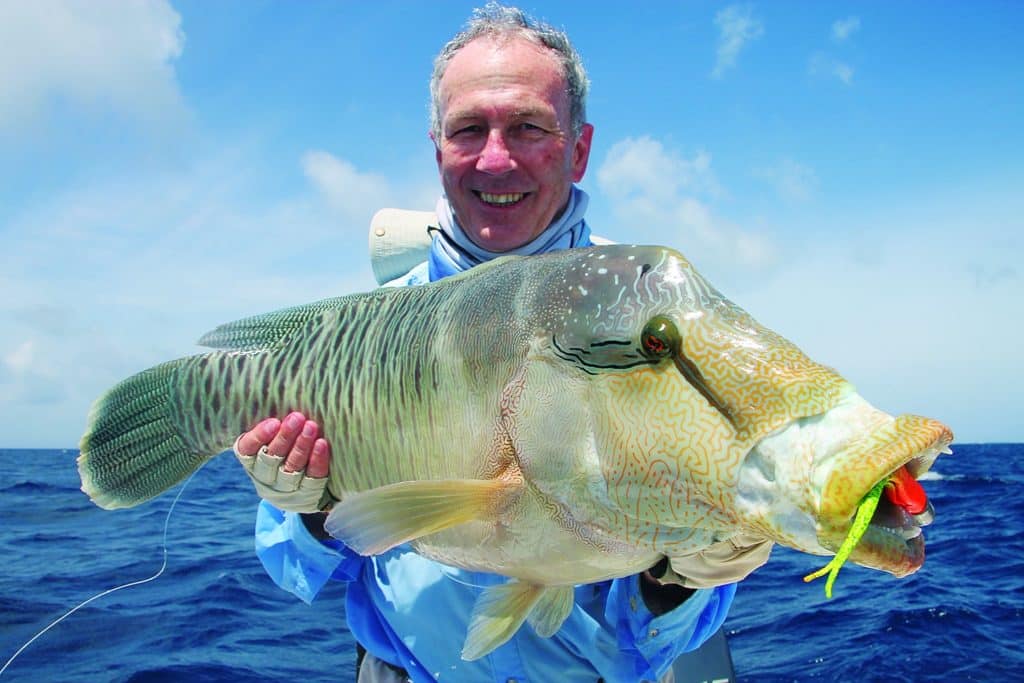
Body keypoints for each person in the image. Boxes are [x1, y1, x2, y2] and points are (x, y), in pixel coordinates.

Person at [232, 5, 772, 682]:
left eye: (527, 126)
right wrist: (309, 512)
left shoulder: (651, 322)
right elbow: (290, 567)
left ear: (578, 148)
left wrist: (683, 579)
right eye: (468, 130)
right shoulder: (363, 336)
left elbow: (666, 628)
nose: (495, 157)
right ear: (438, 153)